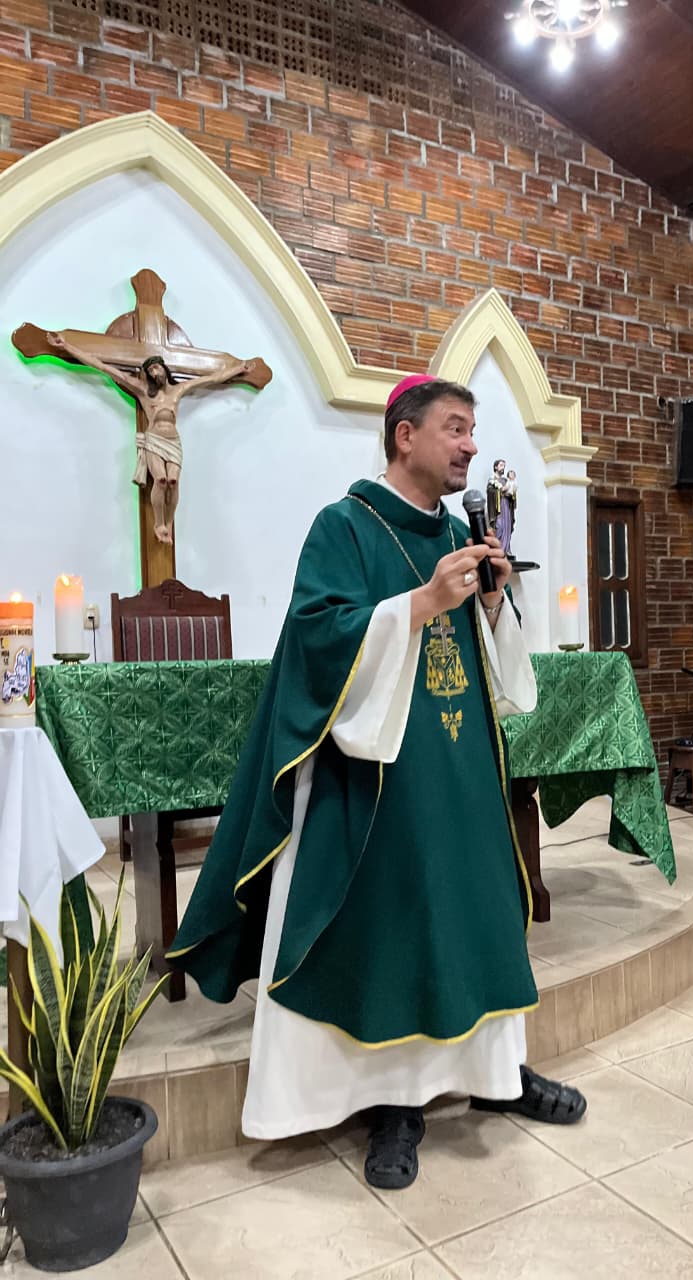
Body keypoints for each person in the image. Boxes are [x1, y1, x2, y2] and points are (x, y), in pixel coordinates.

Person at [168, 373, 586, 1190]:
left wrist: (493, 603)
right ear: (405, 435)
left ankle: (497, 1072)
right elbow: (317, 639)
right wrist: (419, 603)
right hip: (381, 775)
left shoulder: (461, 531)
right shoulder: (345, 526)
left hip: (463, 764)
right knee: (397, 927)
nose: (471, 445)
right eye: (456, 428)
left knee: (478, 911)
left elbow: (492, 663)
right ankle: (396, 1104)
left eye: (472, 430)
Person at [46, 331, 249, 544]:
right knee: (161, 480)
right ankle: (159, 524)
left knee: (173, 481)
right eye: (150, 370)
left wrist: (239, 368)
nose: (154, 372)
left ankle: (168, 523)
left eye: (156, 367)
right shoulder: (143, 391)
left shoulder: (178, 390)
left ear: (164, 368)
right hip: (154, 441)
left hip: (173, 442)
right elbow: (104, 367)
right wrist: (66, 347)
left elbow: (212, 378)